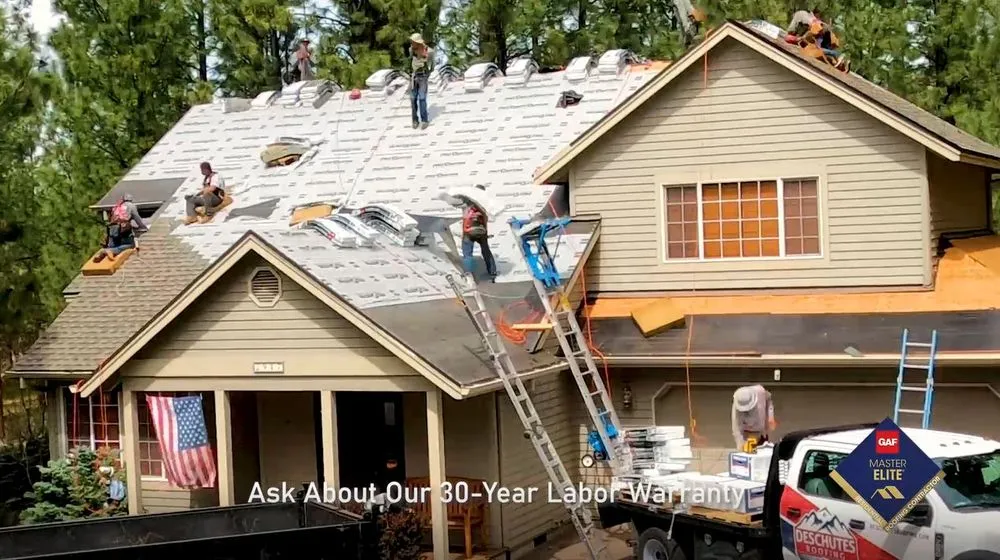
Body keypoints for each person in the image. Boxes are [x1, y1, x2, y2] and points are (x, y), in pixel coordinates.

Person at [461, 185, 497, 283]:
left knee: (467, 254)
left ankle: (469, 276)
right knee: (486, 251)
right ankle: (492, 273)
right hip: (482, 231)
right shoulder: (486, 203)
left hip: (468, 232)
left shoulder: (467, 202)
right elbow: (488, 217)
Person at [731, 384, 777, 450]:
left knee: (762, 452)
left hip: (761, 432)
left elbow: (768, 400)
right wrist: (740, 445)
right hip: (746, 434)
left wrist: (770, 417)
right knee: (747, 451)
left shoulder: (760, 391)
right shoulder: (738, 400)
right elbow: (736, 426)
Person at [408, 33, 434, 129]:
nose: (412, 43)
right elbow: (410, 61)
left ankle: (424, 120)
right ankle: (415, 120)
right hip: (413, 76)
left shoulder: (429, 51)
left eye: (413, 42)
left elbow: (432, 65)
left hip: (423, 76)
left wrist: (427, 74)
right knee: (412, 98)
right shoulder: (411, 50)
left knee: (422, 98)